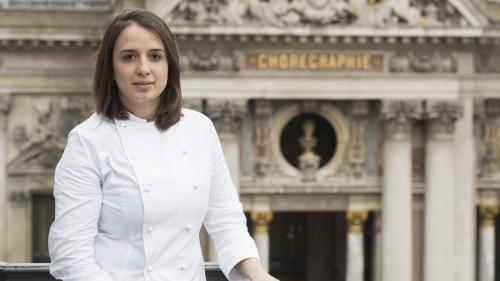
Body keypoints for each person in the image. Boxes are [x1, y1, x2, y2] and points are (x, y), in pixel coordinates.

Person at [48, 8, 278, 281]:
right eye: (129, 56)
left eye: (155, 56)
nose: (143, 68)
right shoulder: (87, 141)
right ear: (110, 67)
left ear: (170, 65)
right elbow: (70, 255)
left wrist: (257, 274)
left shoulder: (199, 129)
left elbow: (227, 220)